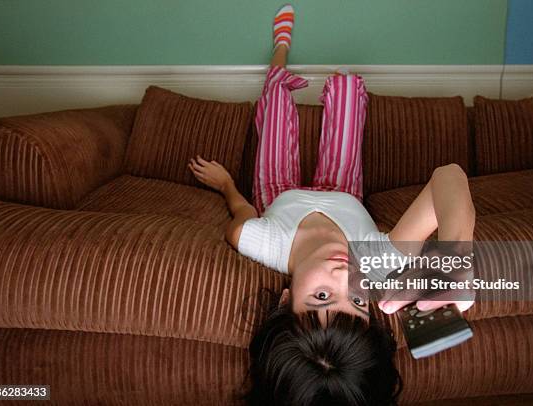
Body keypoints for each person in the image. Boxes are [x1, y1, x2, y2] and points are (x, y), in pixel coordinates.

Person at [188, 4, 476, 404]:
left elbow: (242, 214)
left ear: (285, 301)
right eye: (358, 301)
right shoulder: (372, 263)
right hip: (342, 190)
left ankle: (281, 49)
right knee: (347, 87)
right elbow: (449, 178)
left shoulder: (258, 241)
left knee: (273, 98)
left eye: (321, 297)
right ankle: (339, 88)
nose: (342, 276)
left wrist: (226, 185)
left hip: (278, 191)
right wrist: (455, 256)